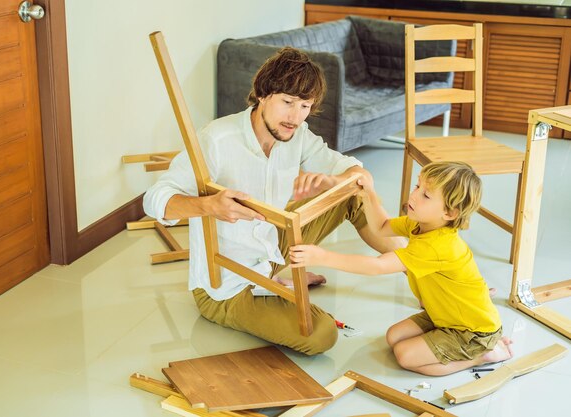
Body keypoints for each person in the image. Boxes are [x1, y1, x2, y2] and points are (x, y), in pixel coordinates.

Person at [144, 47, 402, 355]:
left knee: (352, 195)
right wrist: (209, 206)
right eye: (288, 102)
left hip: (271, 242)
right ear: (263, 94)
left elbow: (360, 176)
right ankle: (278, 283)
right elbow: (154, 200)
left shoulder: (297, 134)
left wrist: (334, 181)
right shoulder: (216, 139)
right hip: (228, 286)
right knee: (321, 336)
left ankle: (418, 268)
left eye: (305, 106)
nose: (296, 117)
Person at [290, 161, 513, 374]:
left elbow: (377, 266)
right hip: (443, 315)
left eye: (426, 195)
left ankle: (483, 355)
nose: (414, 194)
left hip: (472, 331)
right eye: (418, 186)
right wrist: (368, 193)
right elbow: (381, 227)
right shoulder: (420, 224)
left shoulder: (438, 246)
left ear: (450, 213)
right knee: (393, 336)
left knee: (405, 355)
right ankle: (471, 348)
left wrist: (323, 256)